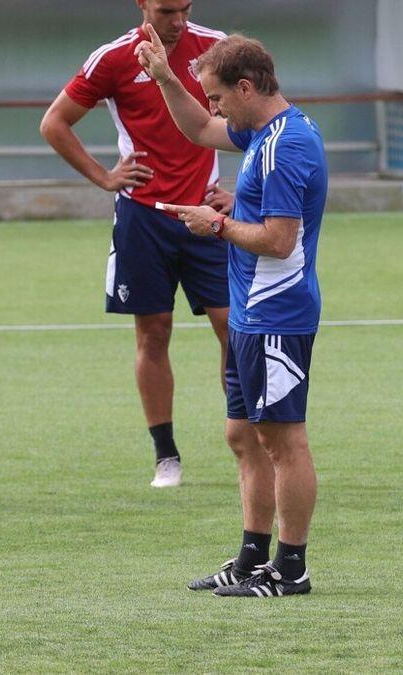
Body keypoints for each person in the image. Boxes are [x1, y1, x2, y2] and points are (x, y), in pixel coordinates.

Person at [136, 27, 326, 597]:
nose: (214, 108)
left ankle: (291, 569)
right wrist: (167, 76)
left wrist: (214, 223)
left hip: (276, 314)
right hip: (249, 314)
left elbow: (279, 240)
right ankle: (250, 558)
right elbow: (196, 129)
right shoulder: (264, 132)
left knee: (283, 441)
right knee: (242, 435)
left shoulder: (285, 144)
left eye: (219, 97)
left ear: (247, 88)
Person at [40, 0, 233, 488]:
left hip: (207, 218)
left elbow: (260, 121)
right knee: (153, 332)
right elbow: (54, 123)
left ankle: (247, 437)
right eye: (168, 10)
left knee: (234, 329)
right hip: (144, 219)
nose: (179, 20)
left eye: (186, 8)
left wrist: (242, 189)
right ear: (143, 5)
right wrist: (104, 177)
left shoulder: (216, 47)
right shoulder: (114, 58)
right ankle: (166, 455)